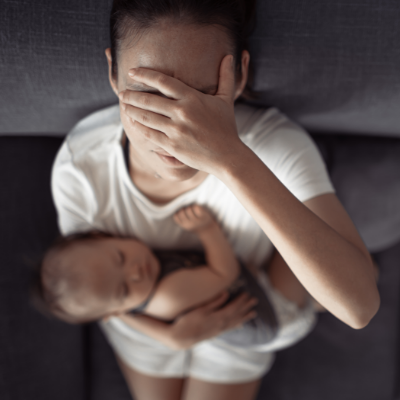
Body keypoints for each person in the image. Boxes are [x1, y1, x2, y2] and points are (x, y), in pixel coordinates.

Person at [51, 0, 380, 399]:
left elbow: (358, 307)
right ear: (114, 75)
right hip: (147, 324)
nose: (177, 127)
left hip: (243, 312)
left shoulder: (272, 147)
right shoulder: (81, 170)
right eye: (148, 95)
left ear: (239, 76)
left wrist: (231, 159)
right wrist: (169, 336)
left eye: (202, 96)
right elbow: (100, 295)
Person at [35, 203, 282, 349]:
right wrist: (207, 230)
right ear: (116, 310)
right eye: (124, 290)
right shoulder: (167, 296)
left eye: (120, 257)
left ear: (104, 236)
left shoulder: (119, 307)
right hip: (275, 311)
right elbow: (225, 273)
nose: (135, 273)